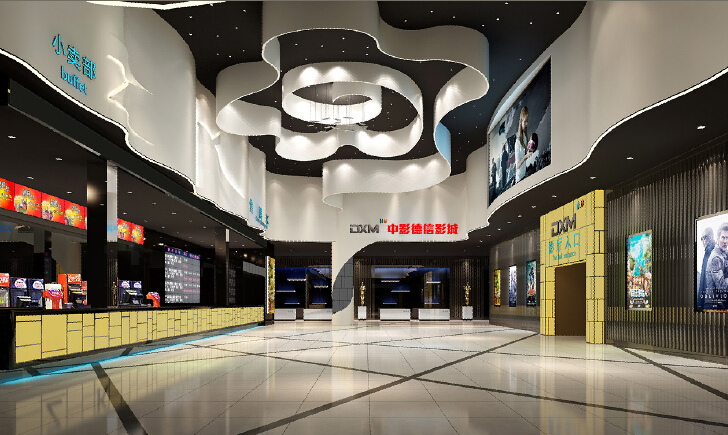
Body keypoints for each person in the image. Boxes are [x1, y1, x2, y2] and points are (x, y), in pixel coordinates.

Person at [704, 223, 728, 310]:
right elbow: (723, 287)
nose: (725, 241)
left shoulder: (723, 253)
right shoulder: (716, 258)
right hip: (714, 307)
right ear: (717, 238)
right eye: (723, 237)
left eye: (727, 238)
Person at [515, 106, 529, 183]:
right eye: (525, 121)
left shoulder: (524, 137)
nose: (527, 124)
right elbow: (517, 166)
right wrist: (526, 156)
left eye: (527, 121)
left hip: (523, 175)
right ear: (520, 121)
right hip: (519, 178)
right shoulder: (518, 141)